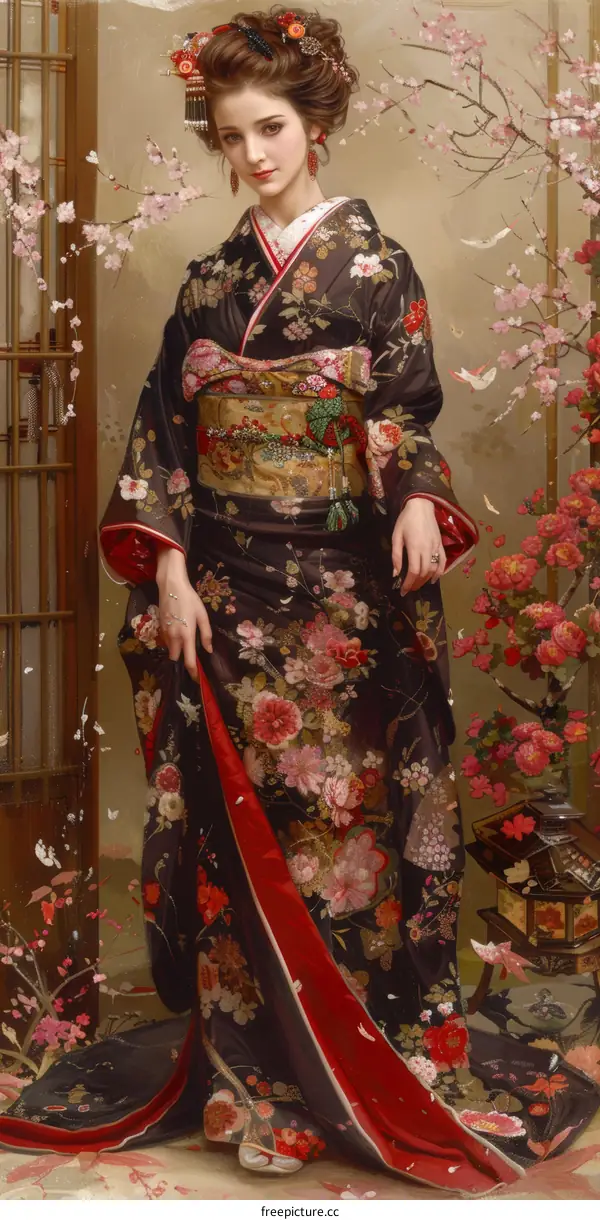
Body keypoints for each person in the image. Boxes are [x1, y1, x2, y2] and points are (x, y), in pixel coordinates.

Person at [0, 7, 598, 1195]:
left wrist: (416, 495)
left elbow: (404, 409)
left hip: (345, 596)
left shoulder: (378, 270)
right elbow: (163, 434)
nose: (253, 154)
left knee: (351, 831)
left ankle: (357, 1056)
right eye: (232, 136)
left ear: (316, 124)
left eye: (270, 127)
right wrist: (169, 569)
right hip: (227, 591)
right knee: (242, 836)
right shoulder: (208, 285)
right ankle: (254, 1074)